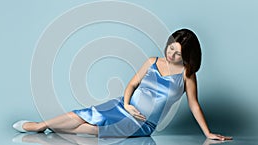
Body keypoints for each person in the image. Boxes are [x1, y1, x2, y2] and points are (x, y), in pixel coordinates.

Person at [13, 28, 232, 140]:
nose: (171, 54)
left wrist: (207, 132)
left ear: (188, 55)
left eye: (178, 53)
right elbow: (131, 85)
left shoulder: (187, 75)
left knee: (92, 129)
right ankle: (39, 125)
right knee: (85, 114)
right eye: (170, 48)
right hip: (123, 106)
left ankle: (50, 128)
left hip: (142, 124)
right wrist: (126, 104)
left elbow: (194, 105)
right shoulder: (152, 62)